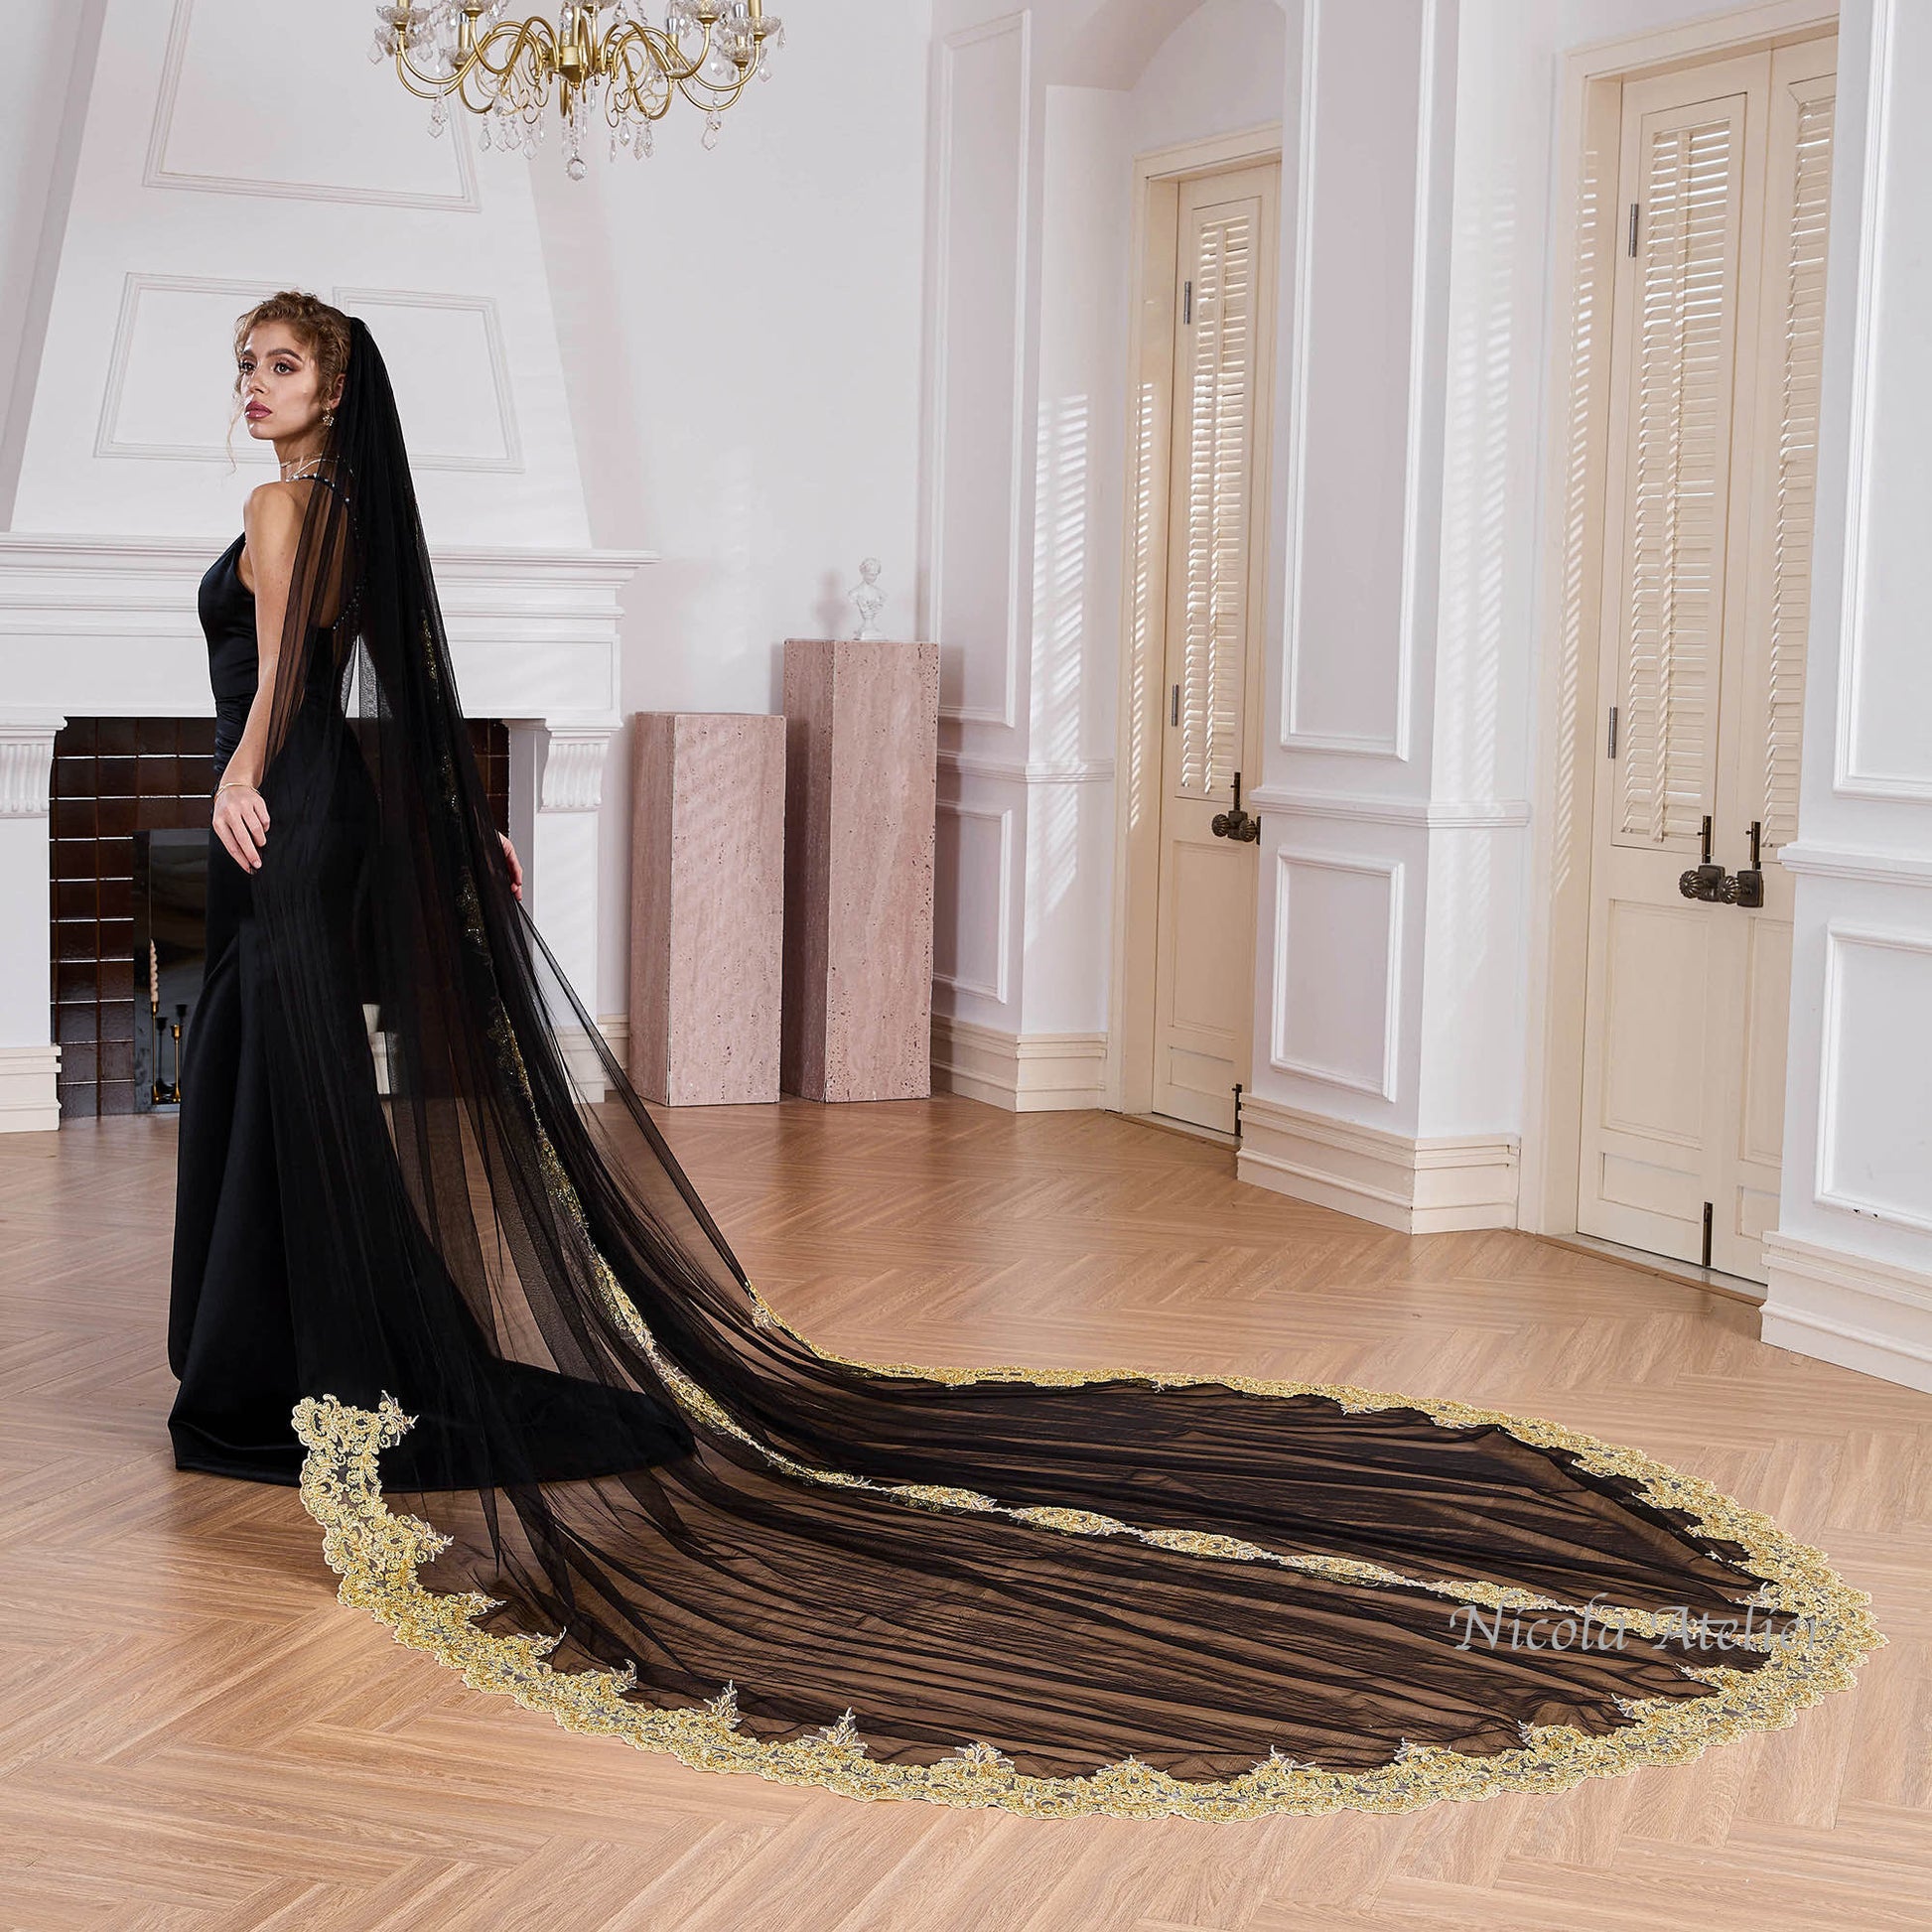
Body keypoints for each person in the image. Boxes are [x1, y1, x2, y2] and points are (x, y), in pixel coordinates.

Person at [164, 290, 1877, 1822]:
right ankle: (300, 1346)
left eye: (282, 363)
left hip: (278, 819)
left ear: (337, 388)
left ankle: (280, 1359)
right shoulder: (354, 507)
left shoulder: (284, 505)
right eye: (245, 363)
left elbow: (287, 707)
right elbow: (372, 693)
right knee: (291, 1083)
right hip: (318, 821)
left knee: (280, 1079)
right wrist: (453, 823)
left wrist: (246, 779)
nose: (254, 386)